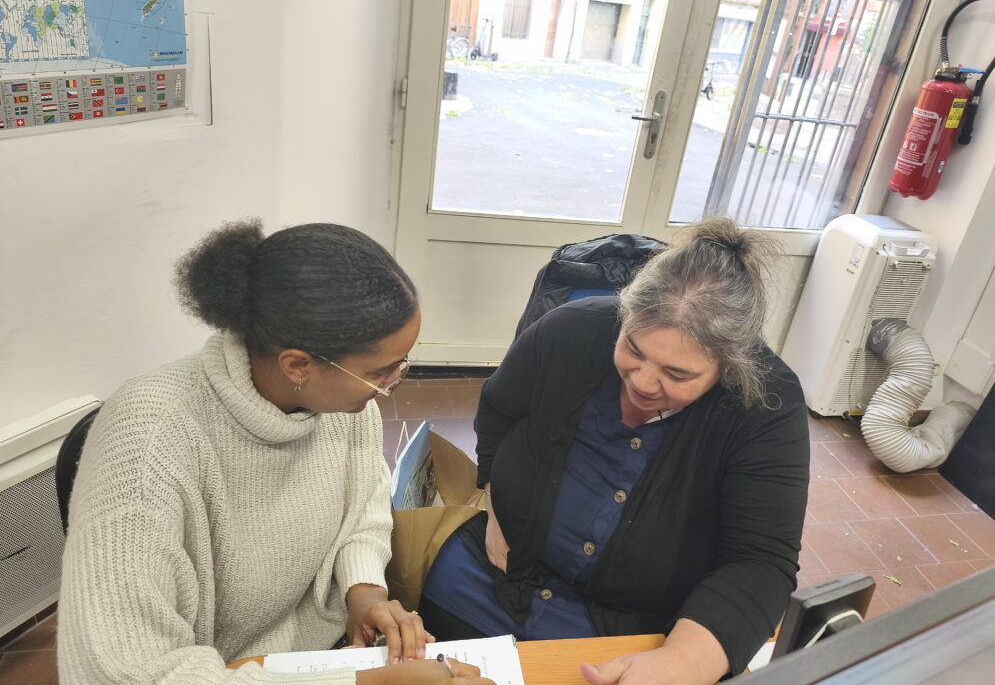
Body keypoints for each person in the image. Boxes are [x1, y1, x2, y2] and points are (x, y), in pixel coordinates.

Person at [58, 220, 493, 685]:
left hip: (325, 656)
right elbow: (117, 672)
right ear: (298, 365)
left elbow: (364, 509)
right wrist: (365, 684)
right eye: (380, 373)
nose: (390, 386)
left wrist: (364, 592)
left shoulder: (343, 402)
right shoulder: (146, 443)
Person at [419, 217, 810, 684]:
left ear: (730, 365)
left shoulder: (765, 404)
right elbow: (499, 409)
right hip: (494, 575)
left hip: (626, 624)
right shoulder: (570, 331)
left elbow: (760, 562)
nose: (643, 382)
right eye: (634, 349)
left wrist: (682, 662)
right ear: (625, 313)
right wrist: (492, 499)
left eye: (677, 374)